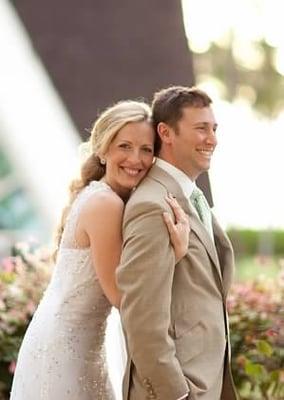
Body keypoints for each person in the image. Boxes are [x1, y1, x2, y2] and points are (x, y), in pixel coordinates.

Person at [10, 100, 190, 400]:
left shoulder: (101, 195)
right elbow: (122, 296)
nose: (136, 158)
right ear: (103, 150)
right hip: (65, 351)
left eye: (146, 149)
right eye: (124, 146)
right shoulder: (106, 204)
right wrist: (176, 253)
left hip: (76, 343)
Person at [116, 86, 238, 400]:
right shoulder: (152, 205)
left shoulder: (190, 197)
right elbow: (142, 317)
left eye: (213, 129)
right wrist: (178, 394)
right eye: (200, 128)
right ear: (166, 133)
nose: (212, 139)